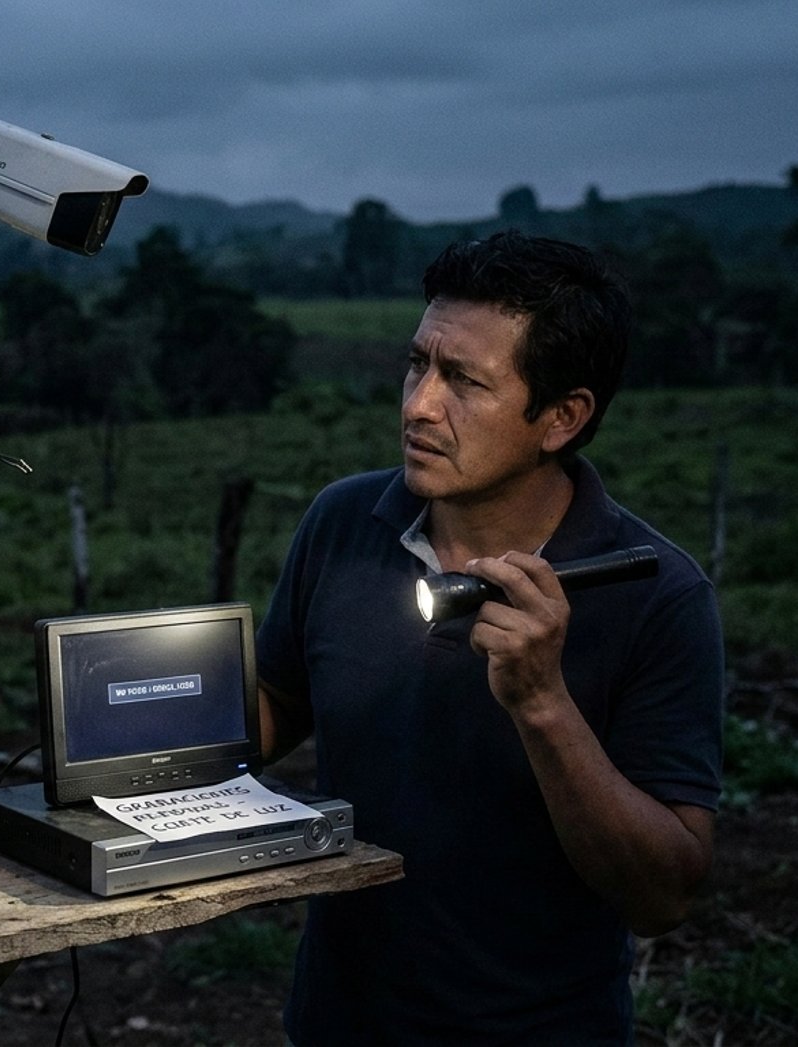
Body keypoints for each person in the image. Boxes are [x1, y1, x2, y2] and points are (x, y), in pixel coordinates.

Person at [255, 232, 723, 1045]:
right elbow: (274, 701)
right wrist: (118, 749)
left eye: (464, 380)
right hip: (336, 1024)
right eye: (417, 364)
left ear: (563, 416)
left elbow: (664, 894)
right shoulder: (343, 523)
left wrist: (543, 703)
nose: (418, 404)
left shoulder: (659, 596)